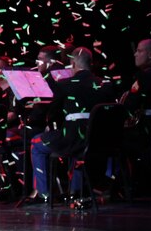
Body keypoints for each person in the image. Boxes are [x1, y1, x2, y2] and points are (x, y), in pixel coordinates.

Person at [25, 47, 115, 204]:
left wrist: (49, 122)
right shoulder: (105, 84)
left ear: (72, 63)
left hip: (74, 140)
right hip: (100, 140)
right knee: (77, 143)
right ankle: (75, 191)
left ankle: (43, 193)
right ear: (91, 64)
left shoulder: (65, 85)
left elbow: (54, 111)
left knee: (36, 143)